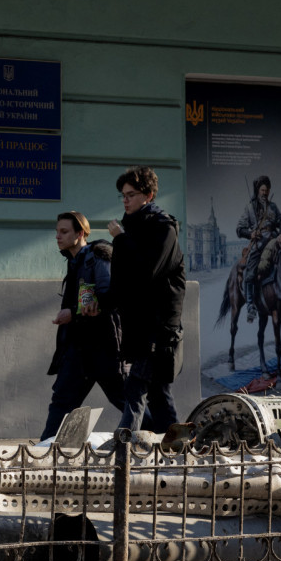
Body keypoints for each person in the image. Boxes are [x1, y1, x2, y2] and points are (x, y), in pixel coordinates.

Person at [106, 167, 186, 433]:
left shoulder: (164, 228)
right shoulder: (132, 229)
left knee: (135, 387)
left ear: (148, 195)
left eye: (131, 194)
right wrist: (103, 305)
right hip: (138, 325)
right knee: (158, 395)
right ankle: (177, 446)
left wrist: (121, 239)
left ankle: (125, 447)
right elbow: (121, 280)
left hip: (158, 327)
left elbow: (147, 271)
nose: (125, 200)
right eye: (123, 195)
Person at [39, 211, 125, 442]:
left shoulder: (98, 257)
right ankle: (44, 450)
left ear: (80, 234)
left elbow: (108, 298)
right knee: (62, 402)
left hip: (102, 347)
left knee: (125, 401)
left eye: (64, 231)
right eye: (57, 231)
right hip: (79, 348)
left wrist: (73, 312)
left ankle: (160, 438)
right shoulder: (75, 261)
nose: (58, 236)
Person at [236, 175, 281, 323]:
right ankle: (250, 306)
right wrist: (251, 233)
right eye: (262, 190)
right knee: (250, 273)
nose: (265, 193)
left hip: (274, 240)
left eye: (267, 190)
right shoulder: (250, 208)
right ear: (258, 190)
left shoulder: (273, 207)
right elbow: (239, 229)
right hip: (258, 244)